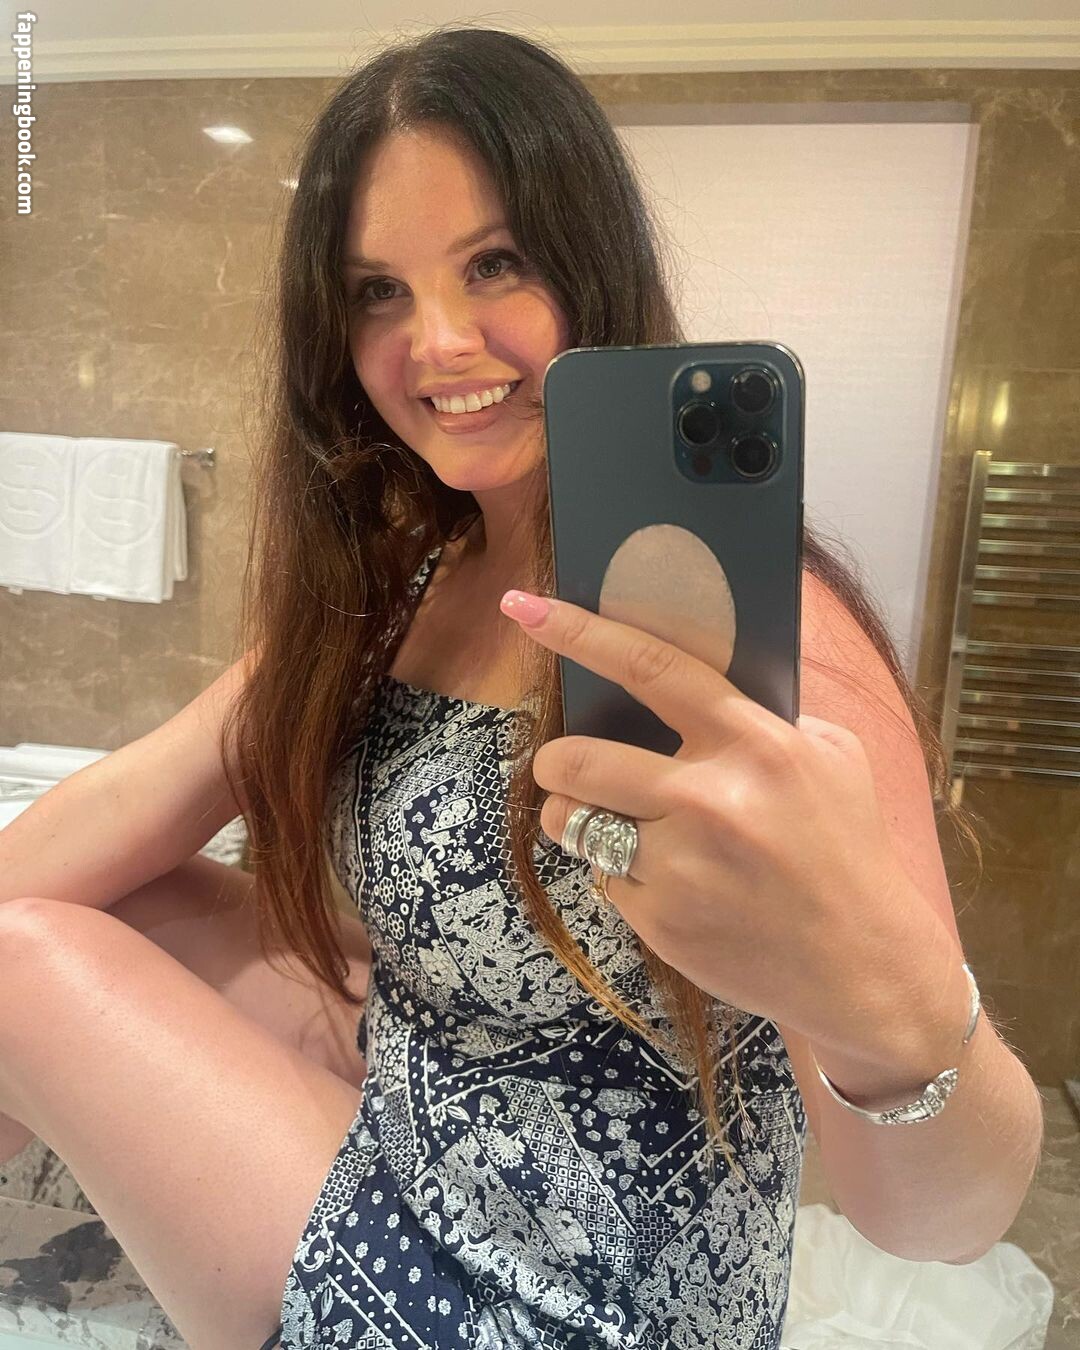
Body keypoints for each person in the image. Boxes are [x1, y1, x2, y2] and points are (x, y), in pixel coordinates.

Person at [0, 25, 1044, 1350]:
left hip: (575, 1295)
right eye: (378, 291)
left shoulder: (775, 633)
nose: (437, 342)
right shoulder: (410, 581)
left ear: (589, 261)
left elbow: (947, 1217)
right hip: (419, 1116)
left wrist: (883, 1010)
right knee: (106, 904)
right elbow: (77, 840)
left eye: (494, 264)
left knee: (19, 964)